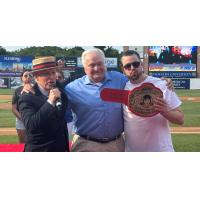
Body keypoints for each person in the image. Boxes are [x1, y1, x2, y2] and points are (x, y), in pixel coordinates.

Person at [121, 50, 184, 152]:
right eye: (128, 66)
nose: (132, 68)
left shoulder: (162, 84)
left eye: (135, 64)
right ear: (123, 69)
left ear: (141, 64)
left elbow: (180, 119)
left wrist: (164, 110)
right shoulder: (122, 87)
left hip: (161, 150)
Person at [18, 56, 69, 152]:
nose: (52, 77)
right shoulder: (27, 97)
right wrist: (49, 103)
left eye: (53, 72)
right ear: (36, 77)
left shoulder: (60, 90)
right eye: (46, 74)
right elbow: (31, 126)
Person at [12, 69, 33, 143]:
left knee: (34, 142)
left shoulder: (36, 89)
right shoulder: (17, 90)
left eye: (30, 75)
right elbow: (14, 108)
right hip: (21, 120)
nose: (28, 77)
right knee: (22, 143)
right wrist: (23, 119)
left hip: (34, 120)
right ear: (22, 78)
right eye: (25, 75)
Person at [56, 69, 74, 136]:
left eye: (59, 77)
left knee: (67, 145)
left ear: (63, 79)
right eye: (55, 77)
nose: (57, 79)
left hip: (68, 123)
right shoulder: (47, 90)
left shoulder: (69, 91)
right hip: (53, 124)